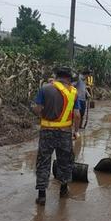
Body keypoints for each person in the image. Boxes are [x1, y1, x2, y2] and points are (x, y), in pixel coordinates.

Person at [31, 67, 81, 205]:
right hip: (65, 133)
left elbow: (38, 109)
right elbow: (77, 115)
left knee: (43, 162)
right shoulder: (73, 92)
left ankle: (41, 196)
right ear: (69, 78)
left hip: (47, 131)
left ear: (56, 76)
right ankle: (63, 190)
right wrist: (76, 132)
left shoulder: (45, 89)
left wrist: (34, 109)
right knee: (65, 162)